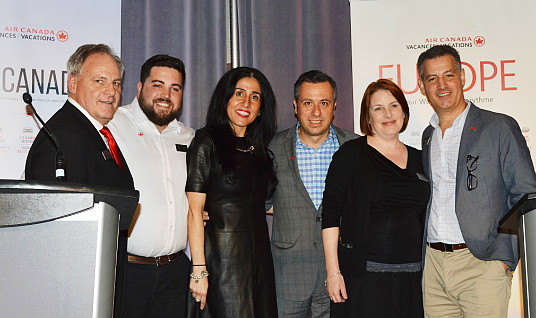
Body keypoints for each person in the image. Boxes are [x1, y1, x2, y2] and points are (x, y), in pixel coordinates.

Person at [417, 44, 536, 317]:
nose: (442, 85)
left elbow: (526, 195)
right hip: (434, 267)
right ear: (422, 86)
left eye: (448, 75)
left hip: (482, 264)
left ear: (463, 76)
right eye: (432, 78)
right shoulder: (428, 136)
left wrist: (506, 259)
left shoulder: (499, 127)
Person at [24, 44, 135, 318]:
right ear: (73, 83)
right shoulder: (63, 137)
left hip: (98, 278)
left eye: (116, 83)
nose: (111, 91)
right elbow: (49, 232)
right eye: (100, 81)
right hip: (76, 291)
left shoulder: (93, 132)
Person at [322, 79, 429, 317]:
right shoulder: (350, 155)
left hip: (413, 280)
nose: (387, 114)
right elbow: (330, 214)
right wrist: (333, 272)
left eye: (393, 105)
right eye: (377, 108)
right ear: (367, 117)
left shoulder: (422, 159)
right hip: (363, 280)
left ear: (404, 111)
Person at [186, 67, 278, 317]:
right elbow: (194, 212)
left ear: (261, 108)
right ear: (224, 97)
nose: (246, 102)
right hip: (221, 261)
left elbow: (266, 204)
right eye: (239, 93)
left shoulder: (259, 150)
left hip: (259, 260)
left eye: (255, 97)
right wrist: (199, 270)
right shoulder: (206, 142)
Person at [108, 54, 194, 318]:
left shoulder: (190, 137)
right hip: (127, 273)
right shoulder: (112, 125)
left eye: (175, 88)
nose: (165, 95)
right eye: (158, 85)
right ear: (139, 87)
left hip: (175, 273)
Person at [268, 70, 358, 318]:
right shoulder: (272, 148)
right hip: (288, 275)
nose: (316, 112)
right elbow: (258, 201)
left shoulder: (355, 148)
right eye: (308, 103)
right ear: (296, 106)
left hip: (341, 272)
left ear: (335, 107)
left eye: (324, 103)